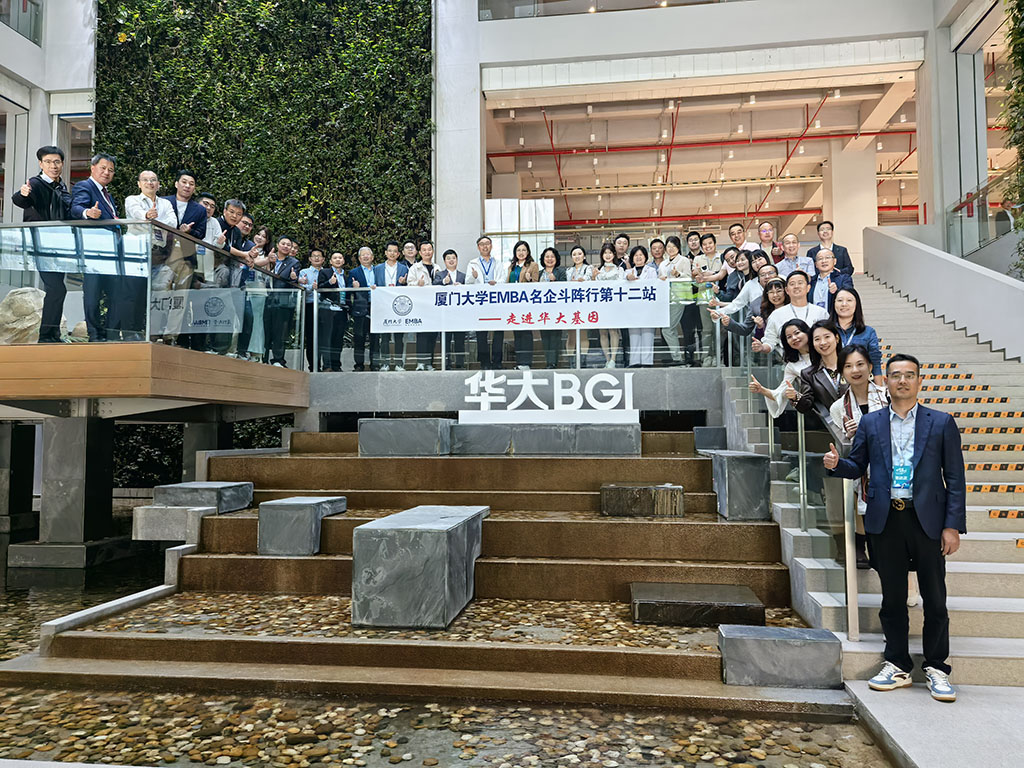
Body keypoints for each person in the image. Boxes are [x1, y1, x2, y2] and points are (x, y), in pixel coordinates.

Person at [823, 353, 966, 702]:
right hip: (886, 519)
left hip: (926, 519)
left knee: (935, 598)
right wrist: (836, 464)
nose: (902, 381)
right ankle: (897, 664)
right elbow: (858, 464)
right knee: (892, 598)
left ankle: (936, 668)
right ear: (885, 381)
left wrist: (952, 527)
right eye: (896, 375)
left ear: (919, 382)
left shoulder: (941, 422)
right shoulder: (872, 424)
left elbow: (956, 478)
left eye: (909, 375)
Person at [829, 343, 890, 569]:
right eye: (848, 366)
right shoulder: (839, 407)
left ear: (870, 366)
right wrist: (853, 435)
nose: (855, 370)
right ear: (842, 372)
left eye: (860, 364)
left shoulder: (888, 395)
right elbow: (845, 448)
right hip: (864, 476)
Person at [11, 145, 72, 343]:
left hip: (59, 245)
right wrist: (23, 193)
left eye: (57, 162)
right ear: (40, 164)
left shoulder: (62, 187)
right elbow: (20, 200)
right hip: (41, 244)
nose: (53, 166)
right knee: (56, 288)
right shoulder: (35, 184)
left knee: (57, 288)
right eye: (48, 162)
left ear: (62, 164)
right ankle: (46, 336)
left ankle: (51, 334)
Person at [72, 153, 130, 342]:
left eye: (111, 170)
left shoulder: (107, 194)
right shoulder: (84, 186)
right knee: (93, 294)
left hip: (113, 252)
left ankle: (111, 334)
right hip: (94, 252)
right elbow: (76, 207)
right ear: (93, 168)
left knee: (117, 294)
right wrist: (87, 212)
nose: (107, 172)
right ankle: (95, 335)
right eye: (103, 168)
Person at [752, 270, 828, 356]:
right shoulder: (776, 315)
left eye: (800, 283)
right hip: (791, 362)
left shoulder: (821, 312)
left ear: (808, 288)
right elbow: (770, 341)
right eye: (792, 284)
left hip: (819, 360)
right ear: (787, 290)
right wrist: (762, 347)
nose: (796, 286)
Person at [748, 318, 811, 418]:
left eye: (797, 333)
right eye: (789, 337)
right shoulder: (792, 366)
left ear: (807, 332)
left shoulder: (823, 349)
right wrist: (761, 389)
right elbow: (779, 393)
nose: (794, 338)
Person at [794, 320, 846, 435]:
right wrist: (795, 397)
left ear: (836, 338)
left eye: (827, 337)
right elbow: (806, 406)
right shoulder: (808, 374)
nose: (823, 342)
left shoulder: (851, 366)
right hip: (830, 430)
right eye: (817, 339)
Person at [467, 235, 508, 369]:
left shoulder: (498, 262)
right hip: (481, 300)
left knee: (498, 332)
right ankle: (484, 362)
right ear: (478, 247)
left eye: (487, 244)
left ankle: (497, 362)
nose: (485, 246)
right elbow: (467, 282)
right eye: (482, 244)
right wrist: (474, 278)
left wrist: (496, 283)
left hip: (496, 300)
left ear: (491, 246)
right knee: (481, 333)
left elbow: (503, 279)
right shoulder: (472, 263)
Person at [831, 287, 883, 384]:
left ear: (856, 304)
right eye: (840, 300)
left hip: (861, 383)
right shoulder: (827, 331)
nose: (844, 304)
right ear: (834, 304)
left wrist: (880, 390)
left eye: (849, 300)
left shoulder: (868, 332)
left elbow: (875, 362)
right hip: (831, 384)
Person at [714, 274, 787, 341]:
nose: (775, 295)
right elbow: (747, 330)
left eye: (779, 291)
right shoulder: (756, 305)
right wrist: (729, 323)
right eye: (771, 292)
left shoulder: (795, 303)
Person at [265, 236, 301, 367]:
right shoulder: (269, 257)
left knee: (280, 332)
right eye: (283, 244)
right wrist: (269, 262)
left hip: (282, 302)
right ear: (278, 245)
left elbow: (293, 279)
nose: (286, 246)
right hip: (265, 299)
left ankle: (278, 360)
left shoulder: (293, 262)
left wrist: (294, 278)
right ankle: (262, 358)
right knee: (265, 330)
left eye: (288, 245)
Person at [658, 235, 692, 366]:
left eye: (673, 246)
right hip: (665, 299)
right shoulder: (663, 263)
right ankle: (676, 357)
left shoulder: (684, 261)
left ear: (678, 247)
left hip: (679, 298)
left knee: (667, 329)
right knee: (669, 329)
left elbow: (689, 278)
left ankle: (677, 358)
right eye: (668, 246)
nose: (671, 249)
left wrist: (678, 274)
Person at [692, 233, 723, 365]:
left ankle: (718, 355)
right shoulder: (698, 259)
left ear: (715, 244)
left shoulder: (721, 257)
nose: (707, 246)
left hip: (720, 298)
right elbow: (695, 279)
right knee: (707, 329)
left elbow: (723, 275)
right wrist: (698, 275)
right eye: (704, 244)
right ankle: (707, 356)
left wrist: (711, 275)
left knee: (719, 330)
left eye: (710, 243)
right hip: (703, 297)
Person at [433, 248, 467, 369]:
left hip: (459, 314)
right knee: (445, 340)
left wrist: (462, 287)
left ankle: (460, 364)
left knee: (460, 340)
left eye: (453, 258)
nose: (451, 260)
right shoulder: (439, 275)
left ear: (457, 260)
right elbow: (433, 286)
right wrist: (444, 281)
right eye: (448, 259)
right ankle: (446, 364)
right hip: (445, 314)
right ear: (444, 261)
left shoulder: (463, 276)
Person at [625, 244, 658, 367]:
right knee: (634, 336)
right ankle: (635, 362)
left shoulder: (651, 271)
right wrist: (628, 278)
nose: (638, 258)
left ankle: (647, 362)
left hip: (647, 309)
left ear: (645, 257)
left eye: (641, 255)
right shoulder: (627, 272)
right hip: (632, 310)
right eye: (636, 255)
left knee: (647, 335)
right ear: (632, 258)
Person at [508, 239, 539, 369]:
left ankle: (526, 362)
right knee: (517, 333)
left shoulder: (533, 265)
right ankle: (519, 362)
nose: (521, 253)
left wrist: (529, 279)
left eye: (524, 250)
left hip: (526, 304)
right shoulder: (511, 266)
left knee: (526, 333)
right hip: (514, 304)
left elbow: (536, 285)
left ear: (528, 252)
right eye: (518, 250)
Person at [407, 240, 438, 370]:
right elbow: (409, 284)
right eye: (424, 250)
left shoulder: (437, 268)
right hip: (421, 306)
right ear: (420, 252)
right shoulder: (415, 268)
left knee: (432, 335)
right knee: (422, 335)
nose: (427, 252)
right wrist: (417, 284)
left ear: (433, 251)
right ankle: (421, 363)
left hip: (435, 307)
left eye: (429, 250)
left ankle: (429, 363)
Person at [243, 226, 273, 361]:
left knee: (256, 322)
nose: (259, 237)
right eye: (258, 234)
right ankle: (242, 350)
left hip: (259, 291)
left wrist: (267, 261)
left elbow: (256, 264)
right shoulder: (246, 248)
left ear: (267, 241)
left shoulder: (268, 255)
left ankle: (256, 352)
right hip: (243, 288)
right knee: (244, 321)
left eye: (264, 236)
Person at [318, 251, 350, 372]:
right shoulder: (325, 272)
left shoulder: (346, 276)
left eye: (340, 258)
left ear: (343, 261)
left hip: (342, 310)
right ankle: (327, 365)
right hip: (328, 310)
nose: (337, 260)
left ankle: (337, 365)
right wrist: (329, 283)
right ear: (330, 261)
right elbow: (319, 288)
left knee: (338, 339)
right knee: (327, 338)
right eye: (335, 258)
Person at [595, 242, 625, 368]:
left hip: (614, 304)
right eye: (605, 253)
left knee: (613, 330)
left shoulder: (619, 270)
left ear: (614, 254)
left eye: (610, 253)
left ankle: (613, 359)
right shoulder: (597, 270)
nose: (607, 255)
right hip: (601, 305)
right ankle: (607, 359)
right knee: (602, 332)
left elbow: (621, 285)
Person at [349, 246, 377, 371]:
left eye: (368, 254)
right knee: (359, 337)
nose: (366, 257)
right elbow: (348, 291)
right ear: (359, 258)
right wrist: (354, 287)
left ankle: (375, 364)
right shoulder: (353, 272)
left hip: (376, 307)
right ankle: (359, 365)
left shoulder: (379, 270)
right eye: (363, 255)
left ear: (372, 257)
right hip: (360, 308)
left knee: (375, 338)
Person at [538, 247, 566, 368]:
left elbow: (565, 287)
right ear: (543, 259)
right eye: (547, 257)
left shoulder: (560, 272)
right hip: (542, 310)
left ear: (556, 259)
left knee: (555, 337)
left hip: (556, 310)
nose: (549, 259)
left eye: (552, 257)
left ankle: (553, 362)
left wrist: (556, 281)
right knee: (544, 336)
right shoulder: (539, 273)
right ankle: (548, 361)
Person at [299, 249, 326, 370]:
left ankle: (326, 365)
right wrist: (312, 287)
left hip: (325, 307)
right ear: (309, 259)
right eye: (314, 256)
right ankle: (313, 366)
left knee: (324, 337)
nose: (316, 258)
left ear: (323, 259)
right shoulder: (304, 272)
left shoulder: (328, 272)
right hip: (310, 306)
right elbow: (302, 287)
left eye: (319, 256)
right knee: (310, 338)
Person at [163, 170, 208, 240]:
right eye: (184, 182)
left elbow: (201, 234)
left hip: (185, 248)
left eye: (191, 184)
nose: (187, 186)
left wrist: (189, 231)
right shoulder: (163, 201)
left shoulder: (200, 210)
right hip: (162, 246)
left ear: (194, 188)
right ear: (176, 184)